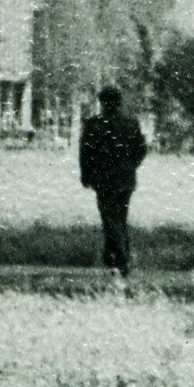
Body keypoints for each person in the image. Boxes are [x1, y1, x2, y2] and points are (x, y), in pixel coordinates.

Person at [78, 84, 150, 279]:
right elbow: (142, 149)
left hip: (104, 180)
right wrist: (130, 165)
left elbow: (86, 153)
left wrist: (86, 175)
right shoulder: (131, 123)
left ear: (102, 102)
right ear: (119, 102)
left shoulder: (94, 125)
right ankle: (112, 257)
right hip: (125, 179)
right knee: (120, 218)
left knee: (110, 218)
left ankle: (121, 258)